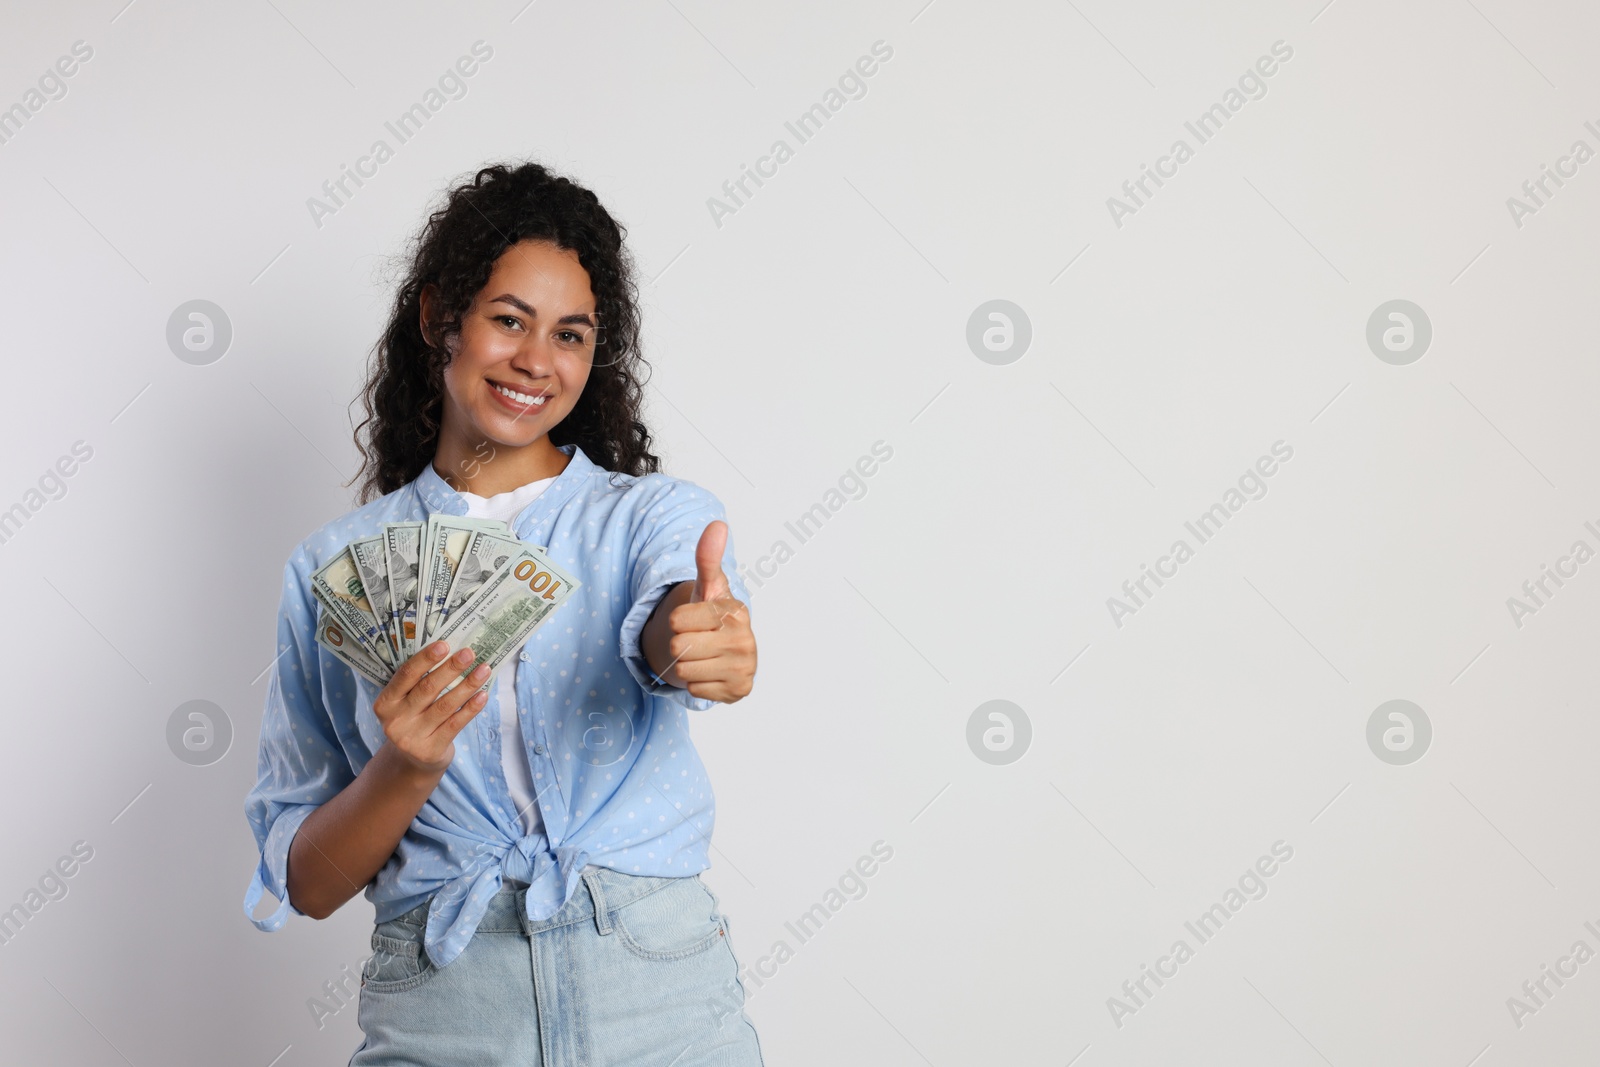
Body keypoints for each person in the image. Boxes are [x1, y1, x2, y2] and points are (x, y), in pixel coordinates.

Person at [242, 161, 765, 1066]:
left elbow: (670, 614)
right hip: (446, 1003)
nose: (536, 360)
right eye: (508, 319)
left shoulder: (653, 517)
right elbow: (310, 883)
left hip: (659, 986)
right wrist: (404, 767)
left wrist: (692, 638)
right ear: (438, 316)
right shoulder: (333, 570)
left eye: (570, 333)